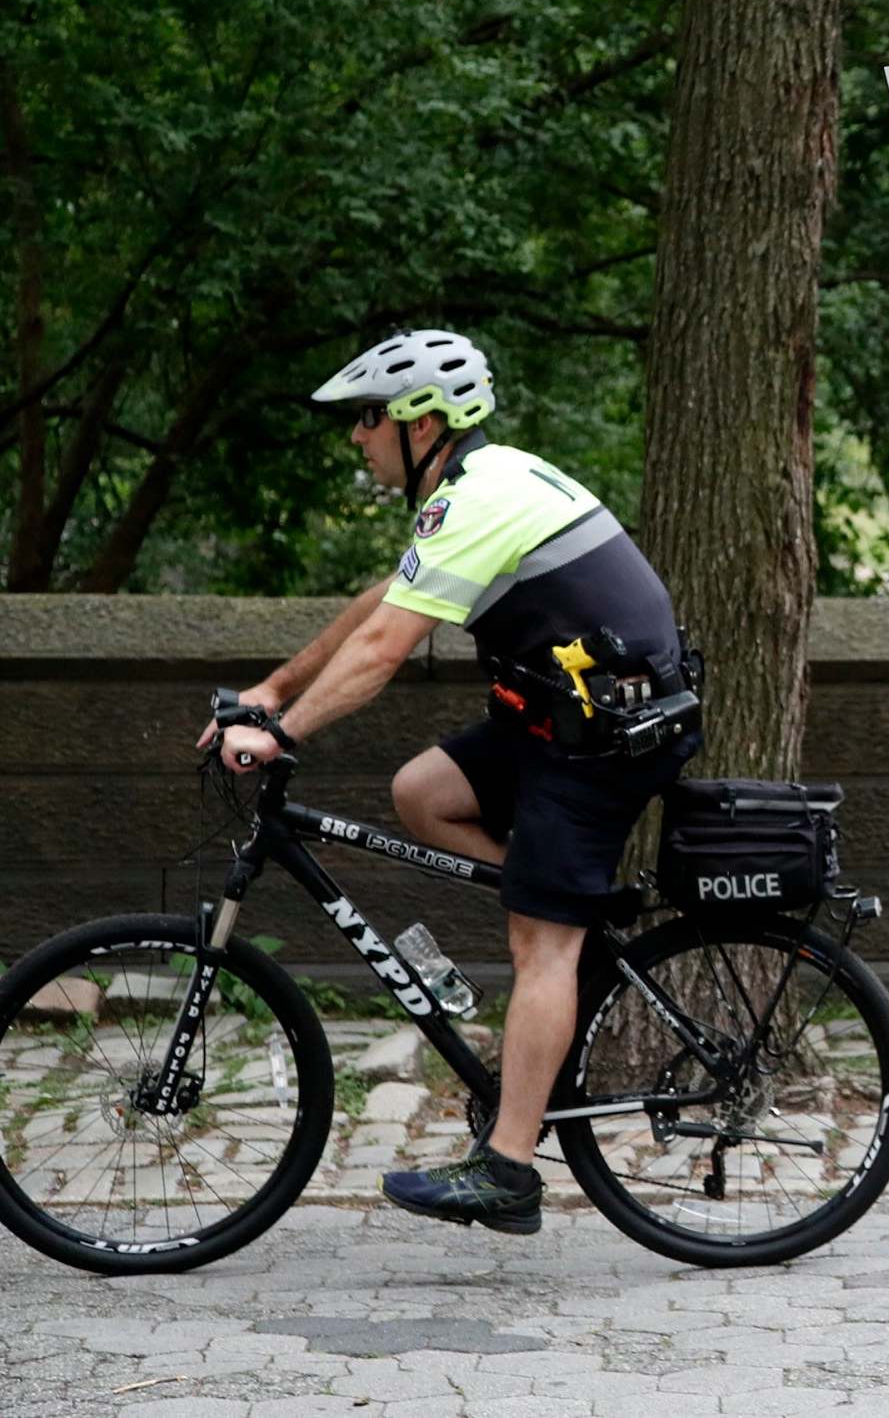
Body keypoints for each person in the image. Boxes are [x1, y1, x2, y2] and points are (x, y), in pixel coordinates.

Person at [201, 329, 700, 1235]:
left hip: (604, 739)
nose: (358, 437)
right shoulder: (468, 489)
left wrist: (279, 736)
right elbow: (382, 606)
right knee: (421, 794)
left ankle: (509, 1173)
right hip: (554, 717)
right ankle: (564, 910)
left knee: (537, 943)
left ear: (422, 421)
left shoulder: (482, 493)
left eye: (368, 419)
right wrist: (274, 691)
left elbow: (385, 652)